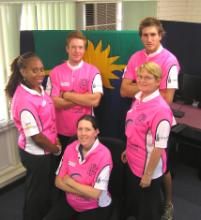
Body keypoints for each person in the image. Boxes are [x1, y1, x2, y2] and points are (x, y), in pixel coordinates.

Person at [120, 17, 180, 220]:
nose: (149, 39)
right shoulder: (136, 57)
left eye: (153, 34)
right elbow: (123, 90)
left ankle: (168, 204)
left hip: (154, 121)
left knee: (161, 167)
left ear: (160, 35)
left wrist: (140, 85)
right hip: (137, 116)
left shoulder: (169, 60)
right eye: (145, 35)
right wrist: (149, 84)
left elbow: (166, 98)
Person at [5, 52, 61, 220]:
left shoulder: (39, 88)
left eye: (42, 69)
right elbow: (36, 137)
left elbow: (48, 119)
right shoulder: (23, 100)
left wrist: (55, 138)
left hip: (47, 148)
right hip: (36, 154)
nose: (40, 74)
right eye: (34, 70)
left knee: (44, 190)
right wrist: (55, 149)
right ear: (23, 71)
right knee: (35, 195)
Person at [121, 62, 173, 220]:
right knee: (136, 204)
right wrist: (128, 149)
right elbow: (135, 129)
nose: (142, 81)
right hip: (133, 159)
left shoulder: (161, 110)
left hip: (147, 168)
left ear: (158, 81)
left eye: (148, 78)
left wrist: (148, 175)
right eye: (140, 77)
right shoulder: (139, 98)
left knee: (147, 211)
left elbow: (159, 147)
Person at [43, 115, 113, 220]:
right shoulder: (70, 148)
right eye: (80, 129)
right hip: (71, 202)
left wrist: (70, 182)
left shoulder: (104, 154)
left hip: (95, 206)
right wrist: (84, 193)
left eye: (88, 129)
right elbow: (58, 182)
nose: (83, 133)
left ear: (96, 132)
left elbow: (96, 194)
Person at [46, 31, 103, 153]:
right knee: (63, 167)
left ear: (84, 49)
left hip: (86, 130)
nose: (77, 51)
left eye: (80, 47)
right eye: (73, 47)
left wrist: (65, 95)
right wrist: (83, 98)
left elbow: (95, 100)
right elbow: (53, 102)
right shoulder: (55, 72)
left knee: (84, 166)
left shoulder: (93, 71)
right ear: (67, 49)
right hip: (61, 131)